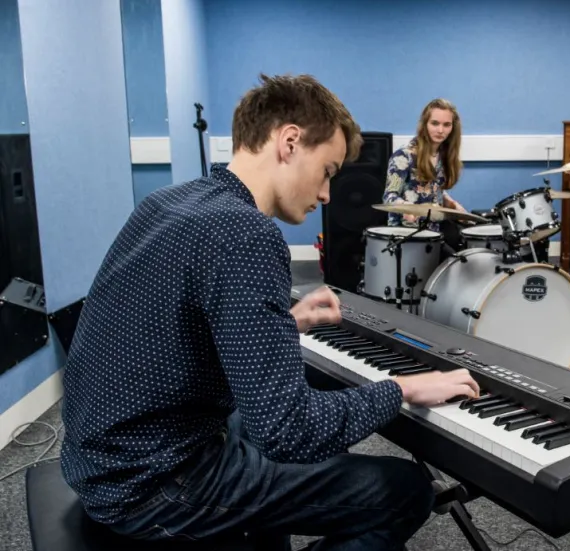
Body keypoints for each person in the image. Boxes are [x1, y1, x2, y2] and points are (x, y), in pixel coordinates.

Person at [60, 74, 480, 551]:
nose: (326, 194)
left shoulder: (170, 202)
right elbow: (288, 432)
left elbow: (173, 326)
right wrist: (400, 388)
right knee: (405, 490)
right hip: (154, 486)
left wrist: (286, 321)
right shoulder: (246, 233)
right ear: (290, 141)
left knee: (278, 412)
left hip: (97, 461)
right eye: (327, 171)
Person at [383, 98, 467, 251]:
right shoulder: (403, 156)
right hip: (407, 235)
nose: (440, 130)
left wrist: (452, 204)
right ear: (425, 124)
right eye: (435, 123)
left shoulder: (443, 156)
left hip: (435, 233)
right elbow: (389, 196)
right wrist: (407, 208)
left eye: (446, 125)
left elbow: (435, 189)